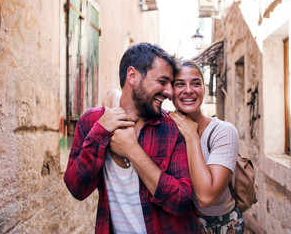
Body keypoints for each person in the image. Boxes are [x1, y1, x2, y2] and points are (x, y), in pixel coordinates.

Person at [64, 43, 199, 234]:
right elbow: (76, 189)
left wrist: (132, 151)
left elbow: (180, 201)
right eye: (162, 81)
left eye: (170, 83)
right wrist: (101, 133)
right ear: (133, 76)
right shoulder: (92, 122)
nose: (170, 92)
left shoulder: (173, 128)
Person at [169, 60, 244, 233]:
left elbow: (206, 197)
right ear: (170, 92)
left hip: (222, 225)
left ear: (203, 89)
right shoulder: (165, 129)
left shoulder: (223, 131)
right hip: (181, 224)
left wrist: (192, 137)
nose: (189, 90)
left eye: (196, 83)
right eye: (180, 84)